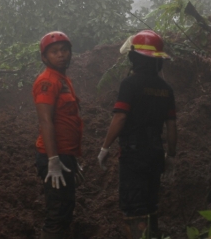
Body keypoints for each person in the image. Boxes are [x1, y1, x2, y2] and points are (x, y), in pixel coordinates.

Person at [97, 30, 177, 239]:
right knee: (151, 204)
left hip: (134, 155)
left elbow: (120, 118)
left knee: (133, 206)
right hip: (156, 154)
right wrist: (172, 156)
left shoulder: (129, 84)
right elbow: (171, 127)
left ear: (134, 58)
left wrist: (105, 147)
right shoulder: (166, 89)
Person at [33, 31, 84, 239]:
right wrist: (53, 160)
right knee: (57, 212)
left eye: (64, 50)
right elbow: (46, 121)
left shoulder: (63, 79)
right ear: (45, 58)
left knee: (66, 207)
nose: (61, 55)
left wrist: (71, 161)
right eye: (54, 52)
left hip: (64, 155)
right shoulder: (47, 82)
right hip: (53, 155)